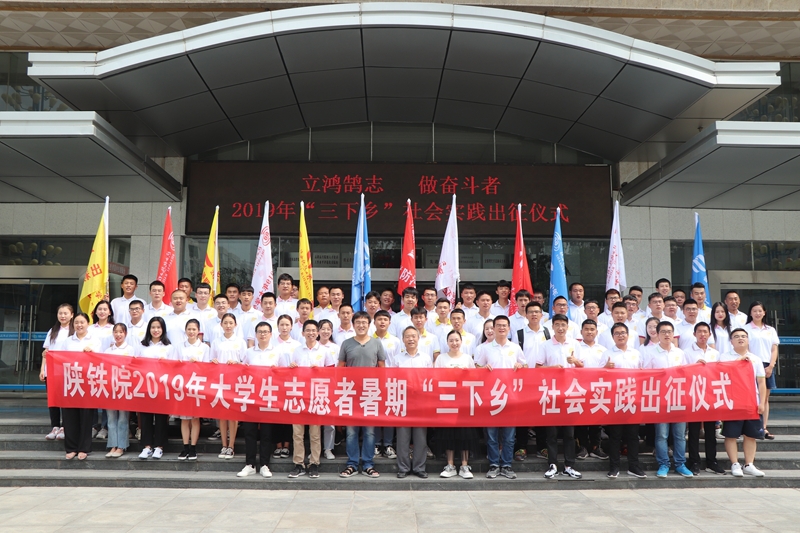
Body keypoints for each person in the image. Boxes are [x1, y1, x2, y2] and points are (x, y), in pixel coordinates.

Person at [338, 311, 386, 478]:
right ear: (353, 325)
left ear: (369, 325)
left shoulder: (376, 343)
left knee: (369, 432)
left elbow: (382, 368)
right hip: (351, 393)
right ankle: (351, 464)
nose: (361, 325)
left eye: (364, 322)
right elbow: (340, 368)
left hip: (370, 393)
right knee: (351, 432)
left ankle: (368, 464)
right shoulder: (346, 344)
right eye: (357, 322)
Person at [646, 321, 693, 478]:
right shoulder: (651, 353)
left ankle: (680, 464)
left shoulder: (680, 353)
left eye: (669, 332)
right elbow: (646, 375)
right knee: (661, 435)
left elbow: (687, 374)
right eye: (663, 332)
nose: (667, 335)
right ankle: (663, 464)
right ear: (658, 334)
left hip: (678, 398)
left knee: (679, 435)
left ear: (673, 334)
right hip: (660, 400)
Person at [539, 314, 582, 480]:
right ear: (552, 327)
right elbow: (537, 368)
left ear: (567, 326)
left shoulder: (575, 344)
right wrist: (552, 368)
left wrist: (575, 361)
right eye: (557, 325)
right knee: (551, 433)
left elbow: (583, 368)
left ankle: (569, 465)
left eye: (563, 325)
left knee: (569, 433)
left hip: (570, 393)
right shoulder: (545, 345)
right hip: (552, 393)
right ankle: (553, 464)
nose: (560, 328)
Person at [481, 316, 524, 480]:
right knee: (491, 436)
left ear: (509, 328)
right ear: (493, 328)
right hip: (491, 397)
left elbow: (525, 366)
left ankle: (506, 465)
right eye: (498, 325)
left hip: (511, 397)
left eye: (504, 325)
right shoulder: (485, 348)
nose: (501, 328)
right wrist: (483, 368)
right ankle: (493, 464)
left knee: (509, 436)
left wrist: (520, 366)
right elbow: (477, 367)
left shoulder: (515, 347)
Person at [721, 328, 768, 477]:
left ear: (748, 340)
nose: (740, 338)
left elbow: (761, 382)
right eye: (736, 336)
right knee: (731, 434)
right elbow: (721, 376)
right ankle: (735, 463)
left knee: (751, 435)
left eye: (743, 336)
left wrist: (762, 402)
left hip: (751, 402)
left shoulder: (756, 359)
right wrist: (737, 363)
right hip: (732, 402)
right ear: (731, 341)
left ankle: (749, 464)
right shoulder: (724, 357)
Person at [238, 321, 281, 478]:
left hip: (268, 397)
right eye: (260, 332)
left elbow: (284, 374)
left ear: (271, 334)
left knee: (266, 432)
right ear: (255, 335)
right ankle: (249, 464)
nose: (263, 334)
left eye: (265, 331)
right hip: (251, 396)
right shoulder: (249, 352)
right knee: (249, 431)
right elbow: (241, 370)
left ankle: (264, 464)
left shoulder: (277, 352)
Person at [604, 323, 646, 479]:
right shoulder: (607, 353)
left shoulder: (636, 353)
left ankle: (633, 466)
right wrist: (605, 367)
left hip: (633, 400)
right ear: (612, 337)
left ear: (628, 335)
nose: (620, 336)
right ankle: (614, 467)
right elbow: (598, 377)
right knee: (615, 435)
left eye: (623, 333)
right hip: (615, 400)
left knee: (633, 435)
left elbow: (644, 374)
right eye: (617, 333)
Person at [287, 320, 328, 479]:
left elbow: (331, 373)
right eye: (308, 330)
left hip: (317, 396)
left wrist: (320, 371)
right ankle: (298, 463)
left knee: (315, 433)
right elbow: (290, 373)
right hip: (299, 395)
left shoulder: (324, 351)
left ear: (318, 333)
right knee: (297, 433)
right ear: (303, 333)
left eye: (313, 330)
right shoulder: (296, 350)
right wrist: (292, 368)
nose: (311, 333)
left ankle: (314, 463)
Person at [435, 330, 477, 480]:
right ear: (447, 343)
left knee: (465, 433)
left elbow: (475, 378)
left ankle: (465, 465)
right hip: (447, 401)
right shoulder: (441, 358)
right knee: (448, 433)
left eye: (457, 340)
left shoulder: (467, 358)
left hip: (464, 401)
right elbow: (435, 378)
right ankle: (450, 465)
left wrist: (465, 374)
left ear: (461, 341)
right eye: (451, 340)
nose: (454, 343)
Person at [58, 312, 100, 460]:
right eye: (76, 322)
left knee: (86, 417)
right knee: (69, 416)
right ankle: (71, 448)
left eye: (82, 322)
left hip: (88, 382)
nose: (79, 325)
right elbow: (60, 360)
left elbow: (101, 361)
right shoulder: (67, 341)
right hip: (70, 382)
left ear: (88, 324)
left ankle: (84, 448)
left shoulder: (95, 341)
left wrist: (92, 353)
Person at [684, 322, 724, 475]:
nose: (702, 334)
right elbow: (682, 372)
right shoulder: (686, 352)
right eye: (699, 331)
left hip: (710, 395)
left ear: (709, 334)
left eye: (705, 332)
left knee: (710, 430)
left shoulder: (715, 353)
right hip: (694, 395)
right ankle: (694, 461)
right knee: (694, 431)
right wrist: (694, 366)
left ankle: (711, 461)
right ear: (694, 334)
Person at [393, 327, 431, 479]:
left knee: (420, 437)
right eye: (407, 336)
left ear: (418, 338)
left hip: (421, 402)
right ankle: (403, 468)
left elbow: (430, 380)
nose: (411, 339)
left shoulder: (426, 358)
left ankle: (419, 467)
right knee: (403, 437)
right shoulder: (397, 359)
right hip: (403, 401)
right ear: (403, 339)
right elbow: (392, 380)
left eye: (413, 336)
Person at [137, 316, 175, 459]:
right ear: (149, 329)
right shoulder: (142, 346)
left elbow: (174, 367)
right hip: (145, 386)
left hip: (162, 387)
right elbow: (135, 364)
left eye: (159, 327)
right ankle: (147, 446)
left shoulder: (168, 347)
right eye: (153, 327)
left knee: (161, 417)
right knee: (145, 417)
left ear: (163, 329)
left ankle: (159, 446)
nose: (156, 330)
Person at [210, 312, 247, 459]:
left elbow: (245, 362)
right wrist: (213, 362)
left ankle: (231, 446)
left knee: (233, 415)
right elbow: (211, 360)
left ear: (235, 325)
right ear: (221, 325)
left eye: (231, 323)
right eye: (225, 323)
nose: (228, 326)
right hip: (220, 381)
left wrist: (237, 363)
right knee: (222, 414)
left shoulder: (240, 342)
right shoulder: (216, 342)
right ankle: (224, 445)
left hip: (235, 381)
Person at [744, 301, 780, 440]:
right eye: (754, 311)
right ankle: (751, 427)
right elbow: (745, 348)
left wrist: (771, 366)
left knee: (765, 398)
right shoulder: (745, 328)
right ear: (750, 313)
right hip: (751, 365)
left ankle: (763, 427)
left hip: (767, 365)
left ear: (764, 312)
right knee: (751, 397)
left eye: (760, 311)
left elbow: (774, 349)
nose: (757, 313)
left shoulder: (770, 330)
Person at [574, 319, 608, 460]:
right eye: (586, 329)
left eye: (592, 329)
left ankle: (595, 447)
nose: (589, 332)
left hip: (598, 389)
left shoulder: (603, 350)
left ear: (596, 332)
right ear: (581, 332)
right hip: (580, 388)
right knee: (580, 419)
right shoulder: (576, 347)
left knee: (596, 419)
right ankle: (582, 447)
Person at [176, 318, 209, 460]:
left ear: (198, 331)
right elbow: (174, 365)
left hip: (197, 386)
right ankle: (185, 447)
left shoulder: (204, 348)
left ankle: (193, 447)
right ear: (185, 331)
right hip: (183, 385)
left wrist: (197, 364)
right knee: (184, 419)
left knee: (195, 418)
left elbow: (207, 367)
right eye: (189, 329)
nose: (191, 332)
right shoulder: (179, 346)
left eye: (194, 329)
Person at [41, 303, 74, 441]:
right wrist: (43, 369)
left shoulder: (74, 331)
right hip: (52, 370)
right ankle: (55, 426)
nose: (63, 316)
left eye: (66, 313)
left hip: (67, 371)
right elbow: (46, 352)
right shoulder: (53, 330)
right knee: (53, 400)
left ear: (72, 315)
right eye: (60, 313)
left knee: (66, 399)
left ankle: (65, 427)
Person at [104, 323, 136, 458]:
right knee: (111, 418)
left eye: (121, 332)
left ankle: (122, 446)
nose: (118, 335)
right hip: (110, 387)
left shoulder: (131, 350)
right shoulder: (107, 351)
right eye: (116, 332)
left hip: (124, 387)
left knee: (123, 418)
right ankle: (113, 445)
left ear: (125, 334)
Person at [372, 310, 400, 458]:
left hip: (391, 382)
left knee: (389, 412)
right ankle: (376, 444)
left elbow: (397, 362)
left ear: (389, 322)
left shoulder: (395, 341)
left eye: (385, 319)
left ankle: (388, 444)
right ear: (374, 322)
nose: (382, 322)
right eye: (379, 319)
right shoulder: (369, 339)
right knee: (375, 412)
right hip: (373, 382)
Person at [271, 314, 300, 458]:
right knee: (276, 415)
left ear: (291, 327)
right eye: (281, 324)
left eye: (287, 325)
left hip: (291, 384)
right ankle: (278, 445)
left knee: (289, 415)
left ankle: (287, 445)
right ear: (277, 326)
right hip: (275, 384)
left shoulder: (297, 345)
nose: (284, 327)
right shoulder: (271, 343)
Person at [318, 319, 340, 460]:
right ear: (318, 331)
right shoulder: (313, 346)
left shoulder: (336, 348)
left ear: (332, 331)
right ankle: (315, 449)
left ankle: (328, 448)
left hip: (331, 387)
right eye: (323, 328)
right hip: (315, 387)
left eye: (328, 329)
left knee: (329, 421)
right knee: (315, 423)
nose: (325, 331)